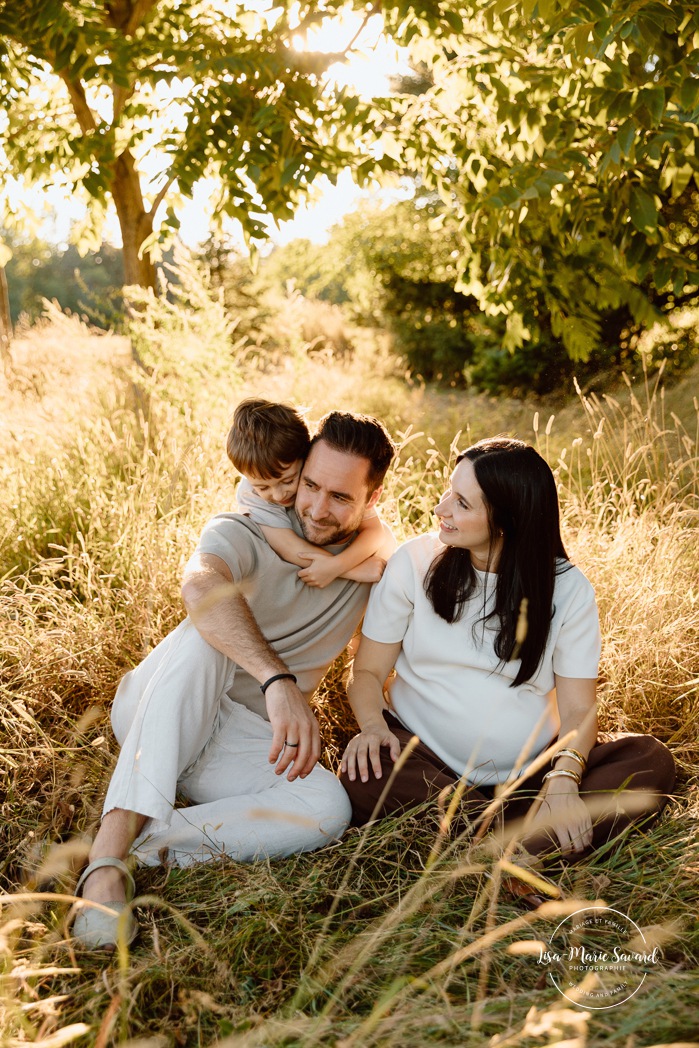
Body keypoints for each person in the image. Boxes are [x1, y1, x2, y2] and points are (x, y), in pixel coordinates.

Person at [72, 410, 396, 949]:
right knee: (207, 630)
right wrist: (278, 680)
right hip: (169, 704)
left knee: (326, 808)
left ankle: (148, 847)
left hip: (243, 741)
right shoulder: (248, 526)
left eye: (340, 497)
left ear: (373, 497)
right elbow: (201, 584)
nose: (315, 507)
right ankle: (104, 864)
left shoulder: (379, 563)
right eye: (309, 485)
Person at [340, 437, 675, 899]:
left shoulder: (568, 590)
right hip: (425, 765)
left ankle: (491, 850)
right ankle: (524, 852)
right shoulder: (414, 563)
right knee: (368, 772)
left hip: (529, 779)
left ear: (507, 520)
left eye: (461, 503)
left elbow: (579, 710)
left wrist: (563, 777)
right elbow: (367, 673)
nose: (441, 508)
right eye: (447, 493)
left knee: (647, 759)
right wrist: (373, 727)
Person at [228, 398, 387, 587]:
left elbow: (376, 531)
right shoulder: (251, 495)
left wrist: (337, 565)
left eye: (288, 481)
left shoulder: (322, 472)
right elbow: (289, 547)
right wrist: (350, 570)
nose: (278, 496)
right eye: (263, 487)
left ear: (305, 457)